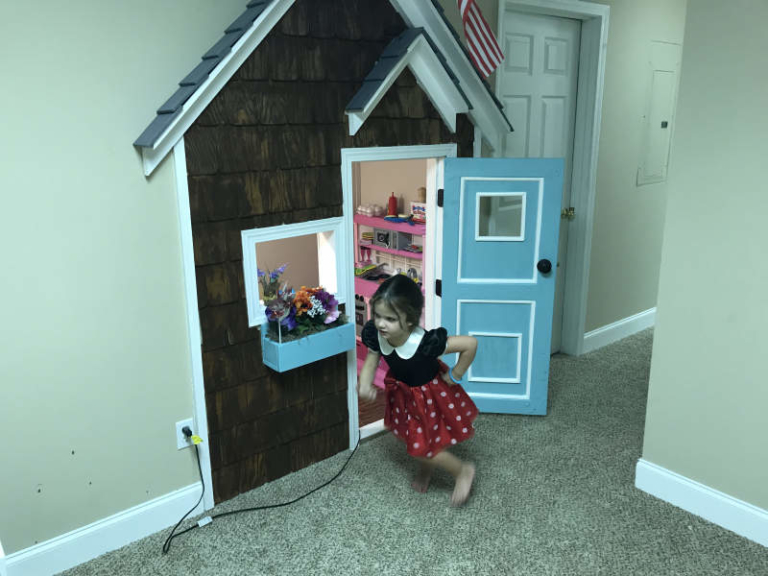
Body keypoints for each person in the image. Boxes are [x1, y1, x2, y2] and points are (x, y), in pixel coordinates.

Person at [358, 274, 479, 506]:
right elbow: (372, 360)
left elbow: (470, 344)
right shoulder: (377, 334)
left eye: (391, 319)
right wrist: (364, 383)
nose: (381, 323)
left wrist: (456, 374)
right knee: (416, 436)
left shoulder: (425, 343)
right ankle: (427, 464)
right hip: (406, 395)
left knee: (424, 444)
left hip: (430, 396)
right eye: (379, 316)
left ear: (410, 320)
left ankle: (462, 470)